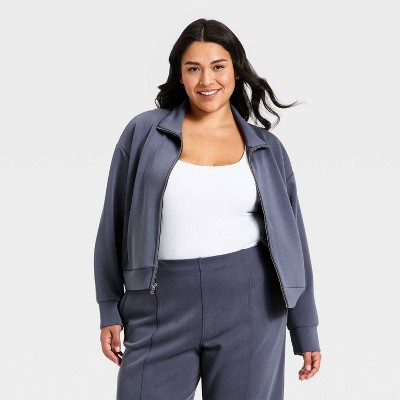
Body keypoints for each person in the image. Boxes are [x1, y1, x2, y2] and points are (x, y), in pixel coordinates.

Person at [94, 18, 322, 400]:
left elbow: (292, 240)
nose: (206, 80)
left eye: (218, 66)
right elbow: (112, 224)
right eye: (193, 68)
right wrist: (108, 307)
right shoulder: (144, 133)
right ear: (180, 76)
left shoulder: (266, 149)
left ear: (236, 70)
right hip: (158, 305)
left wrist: (305, 328)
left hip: (250, 305)